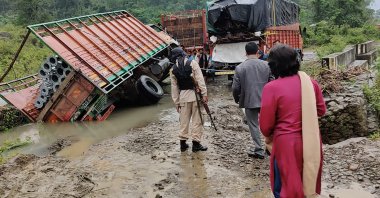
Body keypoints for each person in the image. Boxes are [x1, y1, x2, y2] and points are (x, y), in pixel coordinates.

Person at [259, 44, 326, 198]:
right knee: (307, 185)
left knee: (284, 188)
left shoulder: (272, 88)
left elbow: (265, 127)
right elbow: (321, 110)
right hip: (311, 143)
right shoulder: (311, 83)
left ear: (274, 66)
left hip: (286, 145)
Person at [232, 42, 273, 159]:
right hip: (266, 100)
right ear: (257, 51)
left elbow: (235, 87)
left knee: (254, 125)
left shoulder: (240, 68)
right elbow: (272, 82)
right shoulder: (267, 65)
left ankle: (259, 150)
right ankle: (271, 148)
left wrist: (237, 99)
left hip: (249, 101)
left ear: (245, 53)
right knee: (270, 124)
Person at [170, 47, 208, 152]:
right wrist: (204, 94)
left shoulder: (173, 69)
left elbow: (174, 88)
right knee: (197, 120)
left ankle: (183, 144)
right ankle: (196, 144)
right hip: (195, 96)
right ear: (183, 54)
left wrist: (176, 103)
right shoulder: (193, 63)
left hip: (183, 97)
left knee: (184, 121)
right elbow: (200, 80)